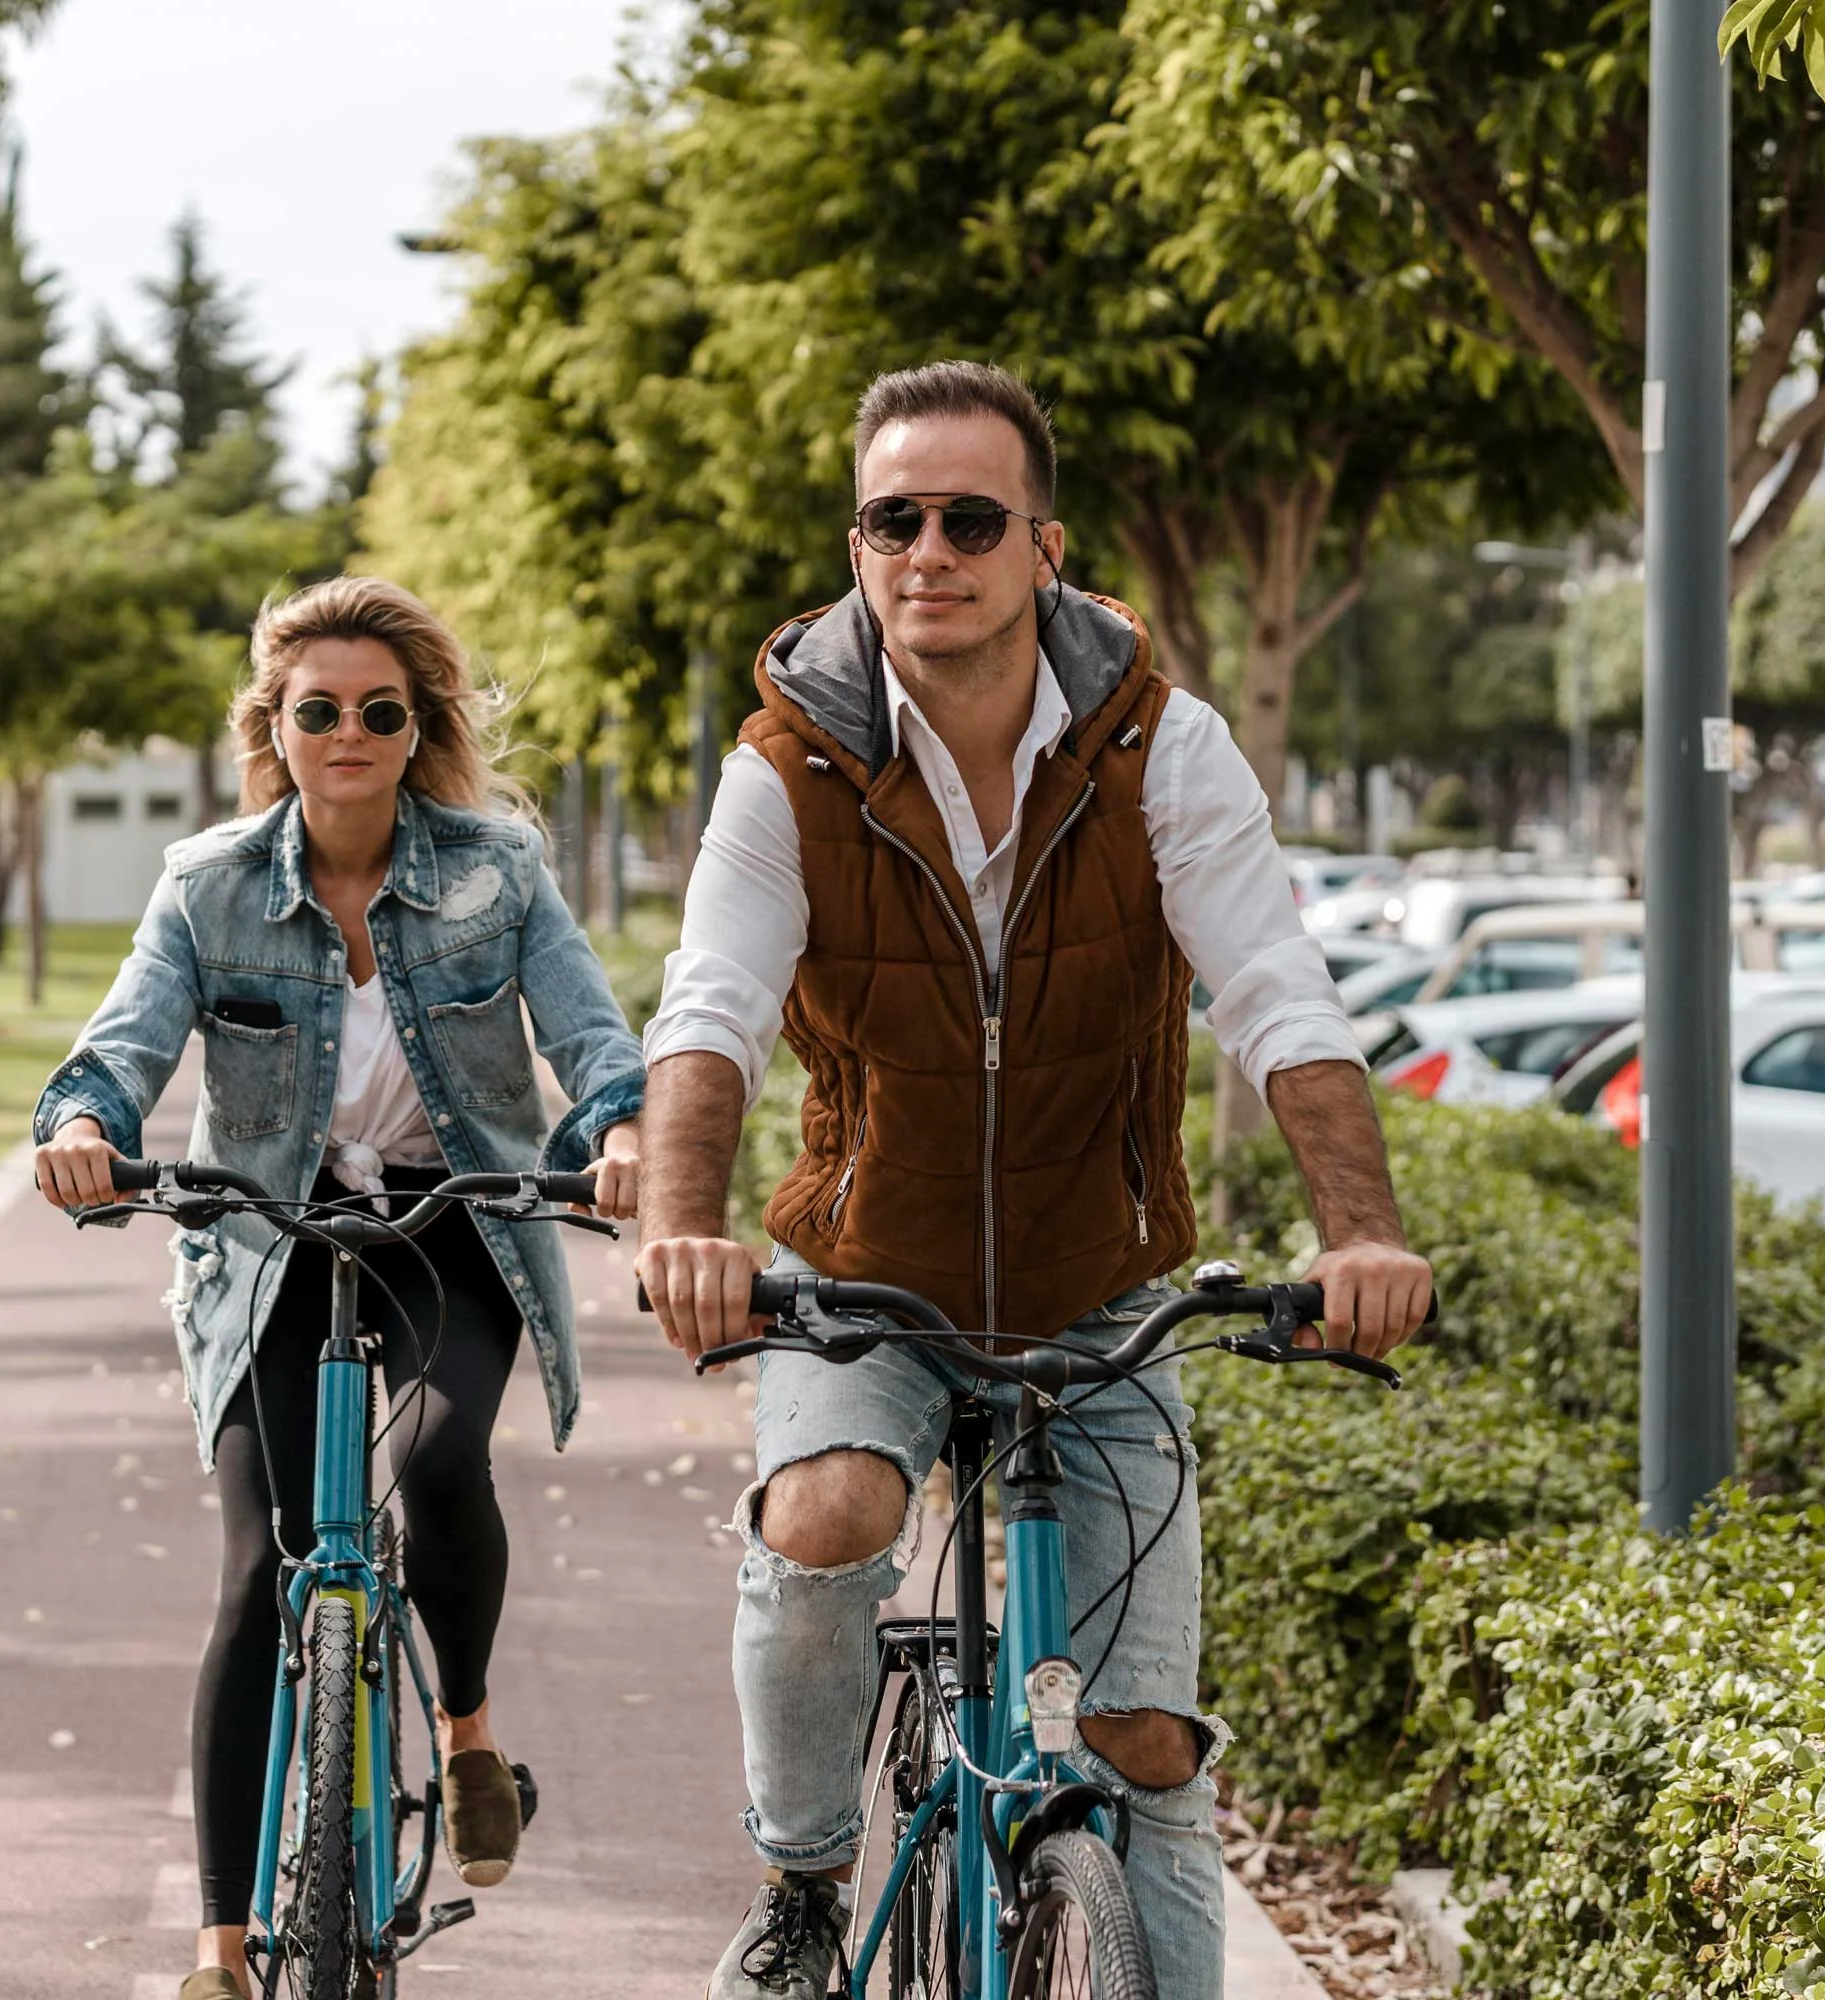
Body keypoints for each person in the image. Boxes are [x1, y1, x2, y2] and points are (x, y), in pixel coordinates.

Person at [633, 362, 1435, 2000]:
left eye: (970, 518)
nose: (930, 549)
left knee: (1143, 1748)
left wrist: (1362, 1231)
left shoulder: (1164, 747)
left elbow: (1275, 988)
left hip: (1098, 1281)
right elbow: (712, 1000)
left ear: (1042, 548)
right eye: (892, 519)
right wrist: (684, 1226)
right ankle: (800, 1880)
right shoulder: (787, 766)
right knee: (832, 1511)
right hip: (868, 1278)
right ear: (859, 548)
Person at [29, 576, 647, 2000]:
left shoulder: (498, 871)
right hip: (269, 1241)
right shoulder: (208, 884)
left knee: (437, 1470)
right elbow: (118, 1049)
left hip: (457, 1228)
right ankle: (223, 1949)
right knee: (263, 1570)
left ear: (417, 725)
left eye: (383, 709)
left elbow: (593, 1034)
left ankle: (471, 1726)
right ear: (278, 728)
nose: (352, 731)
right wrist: (83, 1132)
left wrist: (616, 1132)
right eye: (322, 711)